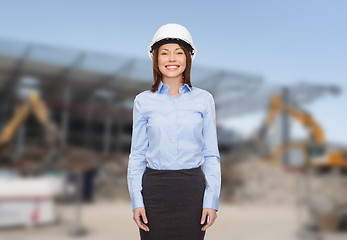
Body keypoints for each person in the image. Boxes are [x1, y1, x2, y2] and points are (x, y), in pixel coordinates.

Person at [127, 23, 221, 240]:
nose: (172, 59)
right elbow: (137, 155)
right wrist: (136, 201)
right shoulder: (142, 101)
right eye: (165, 53)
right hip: (154, 191)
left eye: (178, 53)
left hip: (192, 190)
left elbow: (211, 155)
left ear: (188, 58)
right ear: (156, 59)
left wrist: (211, 200)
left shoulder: (204, 100)